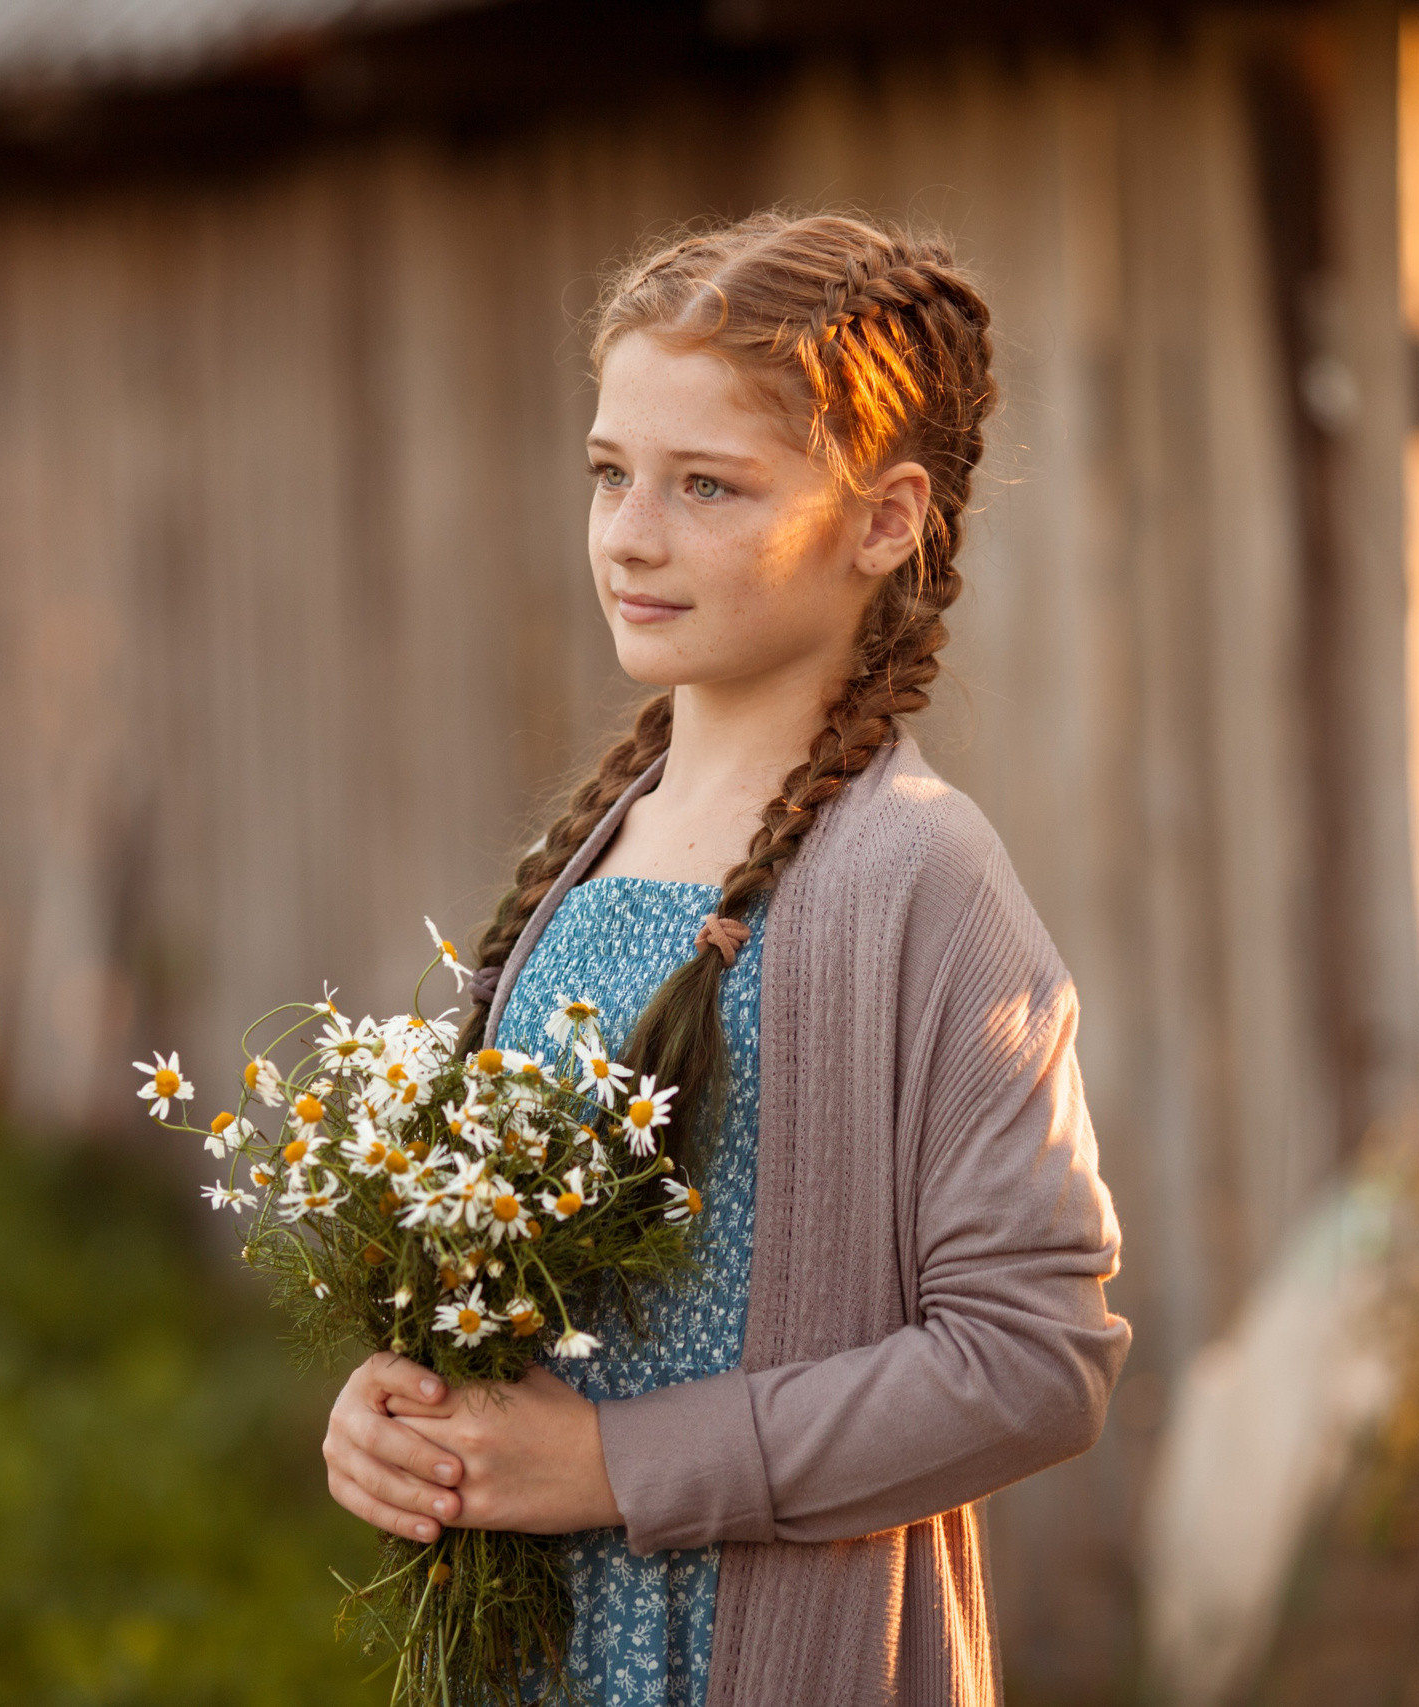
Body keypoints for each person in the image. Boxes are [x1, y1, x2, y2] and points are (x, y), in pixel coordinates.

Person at [319, 210, 1131, 1707]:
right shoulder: (600, 851)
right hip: (550, 1651)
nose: (631, 532)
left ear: (886, 521)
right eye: (611, 472)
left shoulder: (919, 879)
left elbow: (1037, 1359)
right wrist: (404, 1408)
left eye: (708, 485)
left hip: (761, 1657)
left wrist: (617, 1466)